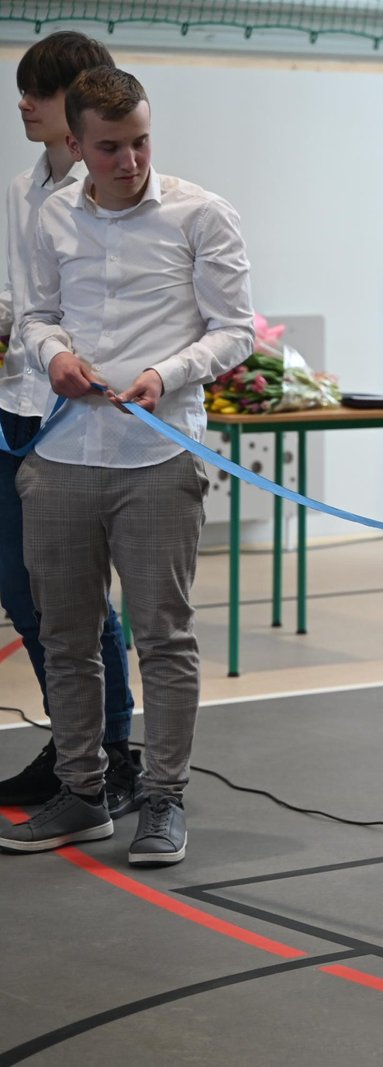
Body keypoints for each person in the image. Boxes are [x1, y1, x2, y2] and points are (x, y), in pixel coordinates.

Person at [0, 67, 254, 865]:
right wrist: (53, 355)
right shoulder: (51, 217)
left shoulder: (200, 213)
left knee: (165, 638)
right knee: (65, 634)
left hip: (159, 455)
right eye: (110, 147)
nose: (131, 161)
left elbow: (236, 329)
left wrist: (165, 375)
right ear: (76, 144)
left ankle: (163, 797)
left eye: (141, 141)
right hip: (62, 454)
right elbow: (36, 315)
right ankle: (82, 791)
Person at [0, 32, 141, 818]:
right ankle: (70, 745)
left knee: (83, 598)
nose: (23, 102)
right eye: (22, 89)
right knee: (23, 588)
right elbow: (25, 301)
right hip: (15, 409)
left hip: (80, 417)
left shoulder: (118, 195)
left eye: (40, 90)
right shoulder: (23, 190)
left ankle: (113, 751)